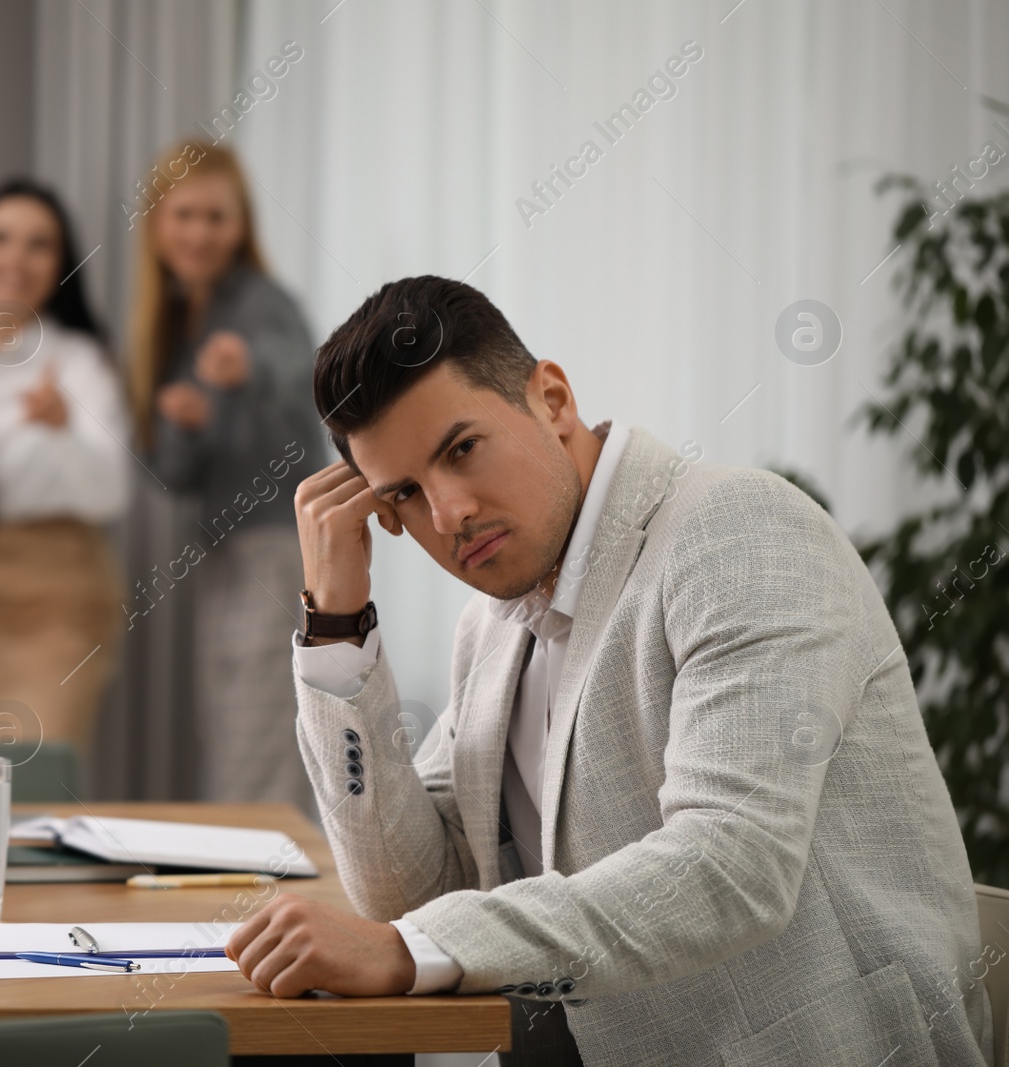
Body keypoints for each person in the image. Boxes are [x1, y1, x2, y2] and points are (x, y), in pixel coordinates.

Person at [225, 276, 991, 1067]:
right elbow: (409, 896)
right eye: (406, 495)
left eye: (461, 449)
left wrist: (407, 946)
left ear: (552, 399)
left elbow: (733, 864)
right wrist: (336, 622)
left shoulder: (736, 531)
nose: (448, 514)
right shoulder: (490, 627)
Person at [128, 140, 323, 814]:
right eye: (185, 215)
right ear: (157, 223)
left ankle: (254, 913)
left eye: (217, 216)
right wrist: (183, 422)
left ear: (241, 225)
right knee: (238, 737)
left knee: (257, 752)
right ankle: (249, 909)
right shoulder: (173, 324)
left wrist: (247, 369)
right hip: (224, 555)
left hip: (275, 550)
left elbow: (304, 373)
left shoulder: (262, 304)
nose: (201, 232)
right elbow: (170, 475)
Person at [0, 178, 129, 759]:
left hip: (61, 586)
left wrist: (63, 433)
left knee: (38, 771)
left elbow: (112, 492)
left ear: (60, 263)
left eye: (38, 245)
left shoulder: (79, 360)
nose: (14, 259)